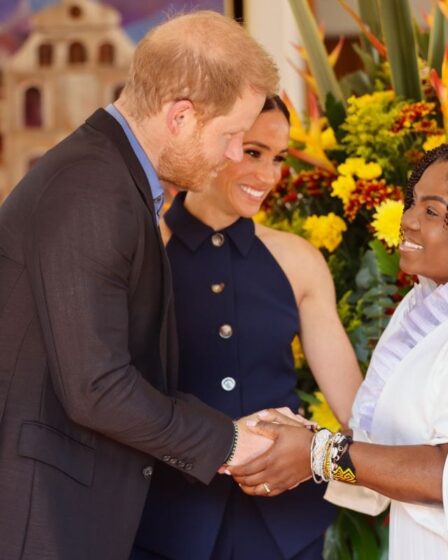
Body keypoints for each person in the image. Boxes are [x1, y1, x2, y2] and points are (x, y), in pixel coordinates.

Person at [0, 11, 279, 560]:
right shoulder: (92, 189)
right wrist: (232, 443)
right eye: (230, 135)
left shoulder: (111, 178)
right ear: (180, 116)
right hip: (41, 516)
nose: (231, 155)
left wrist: (227, 427)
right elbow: (97, 389)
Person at [134, 96, 362, 560]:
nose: (269, 176)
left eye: (278, 158)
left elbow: (357, 409)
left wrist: (423, 477)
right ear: (209, 141)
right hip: (163, 523)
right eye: (254, 152)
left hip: (286, 527)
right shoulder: (142, 251)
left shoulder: (299, 259)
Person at [230, 143, 448, 559]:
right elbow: (388, 446)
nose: (408, 221)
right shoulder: (421, 307)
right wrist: (306, 441)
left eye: (433, 212)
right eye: (413, 202)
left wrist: (318, 455)